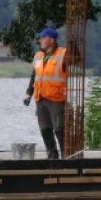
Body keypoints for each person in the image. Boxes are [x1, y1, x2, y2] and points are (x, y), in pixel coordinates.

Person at [23, 27, 67, 159]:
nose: (40, 40)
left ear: (51, 40)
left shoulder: (63, 53)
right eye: (40, 37)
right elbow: (34, 77)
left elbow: (76, 58)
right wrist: (28, 94)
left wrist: (73, 44)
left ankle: (66, 155)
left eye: (43, 37)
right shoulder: (38, 56)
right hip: (40, 98)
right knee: (45, 129)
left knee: (59, 128)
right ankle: (52, 155)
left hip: (56, 99)